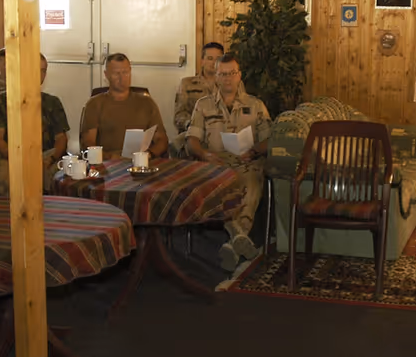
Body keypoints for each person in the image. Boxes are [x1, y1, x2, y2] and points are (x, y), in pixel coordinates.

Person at [186, 54, 272, 270]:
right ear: (215, 76)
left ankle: (234, 241)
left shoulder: (255, 104)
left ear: (239, 75)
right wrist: (205, 155)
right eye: (223, 74)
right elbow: (192, 140)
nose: (228, 78)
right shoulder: (202, 105)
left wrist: (253, 151)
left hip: (246, 161)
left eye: (232, 73)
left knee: (252, 184)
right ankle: (239, 238)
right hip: (215, 163)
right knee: (219, 187)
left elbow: (270, 140)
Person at [0, 53, 68, 195]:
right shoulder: (0, 102)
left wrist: (51, 159)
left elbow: (61, 138)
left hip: (47, 155)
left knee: (63, 179)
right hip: (11, 156)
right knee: (7, 180)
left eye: (43, 70)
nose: (40, 74)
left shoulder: (52, 102)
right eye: (36, 69)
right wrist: (19, 159)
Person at [79, 53, 168, 159]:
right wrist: (109, 157)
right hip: (108, 163)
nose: (122, 78)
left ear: (130, 71)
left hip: (141, 161)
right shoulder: (95, 104)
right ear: (106, 75)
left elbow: (161, 139)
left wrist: (149, 154)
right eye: (116, 74)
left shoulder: (147, 103)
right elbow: (88, 143)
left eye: (125, 72)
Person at [172, 42, 225, 157]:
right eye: (210, 58)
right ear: (202, 61)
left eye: (218, 59)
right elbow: (178, 116)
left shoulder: (229, 84)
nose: (214, 63)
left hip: (221, 134)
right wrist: (193, 126)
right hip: (194, 135)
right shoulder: (187, 83)